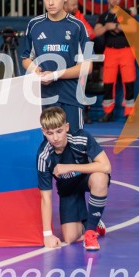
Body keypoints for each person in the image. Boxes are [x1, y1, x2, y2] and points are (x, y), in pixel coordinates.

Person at [21, 0, 92, 132]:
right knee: (48, 141)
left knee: (74, 141)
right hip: (44, 97)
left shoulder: (78, 26)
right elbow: (26, 59)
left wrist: (55, 75)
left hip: (71, 96)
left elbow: (88, 66)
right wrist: (36, 70)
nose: (51, 3)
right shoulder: (34, 25)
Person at [37, 107, 110, 251]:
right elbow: (45, 197)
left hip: (86, 179)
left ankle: (90, 233)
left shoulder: (81, 137)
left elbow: (106, 166)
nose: (55, 138)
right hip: (67, 189)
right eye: (50, 133)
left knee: (100, 178)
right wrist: (47, 235)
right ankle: (91, 221)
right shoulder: (43, 156)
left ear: (66, 127)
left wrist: (69, 167)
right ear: (43, 132)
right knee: (70, 238)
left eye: (59, 131)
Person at [94, 0, 137, 122]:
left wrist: (117, 26)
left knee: (129, 82)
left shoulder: (127, 13)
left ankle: (129, 113)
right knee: (108, 82)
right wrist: (106, 27)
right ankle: (108, 112)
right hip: (110, 51)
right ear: (108, 0)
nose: (114, 0)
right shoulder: (104, 16)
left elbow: (134, 28)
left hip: (126, 51)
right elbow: (96, 32)